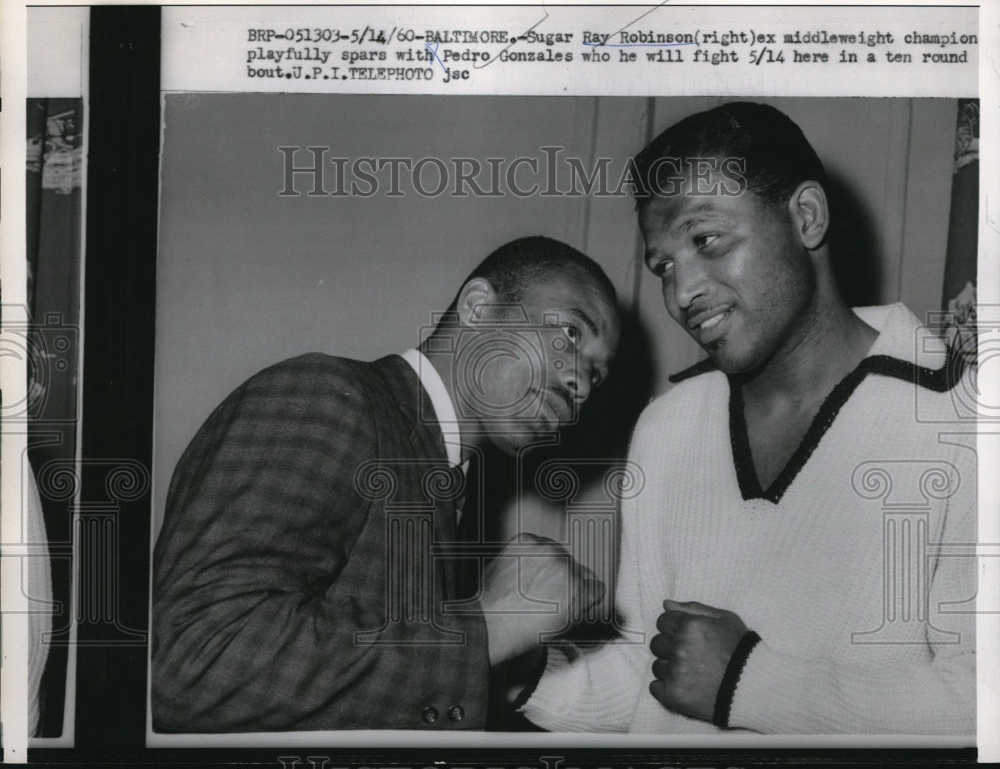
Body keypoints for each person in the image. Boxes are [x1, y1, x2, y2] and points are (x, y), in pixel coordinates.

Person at [516, 102, 977, 734]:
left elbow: (981, 701)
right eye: (664, 266)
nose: (682, 293)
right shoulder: (667, 425)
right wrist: (517, 669)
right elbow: (650, 679)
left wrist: (745, 682)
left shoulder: (963, 417)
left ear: (806, 217)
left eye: (706, 241)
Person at [151, 235, 620, 732]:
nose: (583, 384)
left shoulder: (447, 483)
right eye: (570, 333)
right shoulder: (330, 396)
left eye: (597, 373)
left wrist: (506, 655)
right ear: (478, 307)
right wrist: (491, 627)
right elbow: (190, 659)